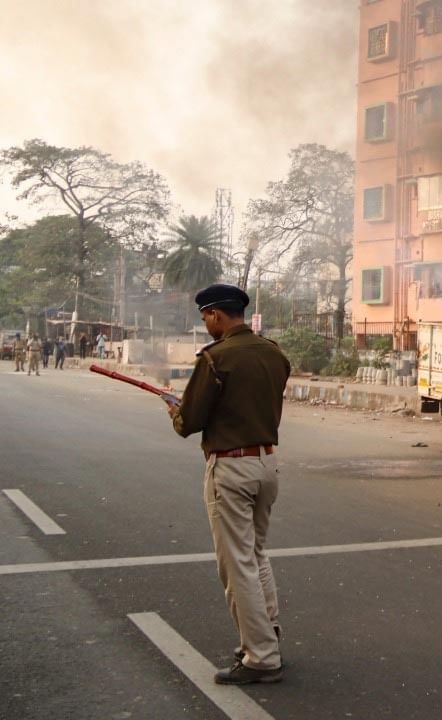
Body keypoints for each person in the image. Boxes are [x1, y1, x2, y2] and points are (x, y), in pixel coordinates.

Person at [164, 283, 292, 685]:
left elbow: (191, 421)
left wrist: (175, 411)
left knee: (237, 564)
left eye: (205, 316)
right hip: (266, 462)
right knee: (255, 555)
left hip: (232, 469)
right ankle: (266, 633)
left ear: (217, 314)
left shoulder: (216, 359)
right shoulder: (274, 353)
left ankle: (261, 657)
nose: (205, 323)